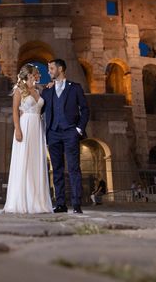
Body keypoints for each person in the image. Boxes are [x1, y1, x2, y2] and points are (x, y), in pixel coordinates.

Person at [3, 64, 53, 214]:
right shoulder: (19, 90)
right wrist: (17, 129)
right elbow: (14, 111)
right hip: (25, 126)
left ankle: (38, 201)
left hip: (38, 127)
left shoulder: (38, 90)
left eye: (37, 74)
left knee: (36, 162)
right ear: (28, 75)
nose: (38, 76)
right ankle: (22, 200)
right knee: (24, 160)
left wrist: (51, 85)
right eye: (35, 74)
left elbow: (43, 106)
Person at [42, 58, 90, 214]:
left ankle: (76, 204)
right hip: (53, 133)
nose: (48, 72)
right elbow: (40, 109)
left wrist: (79, 129)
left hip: (70, 132)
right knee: (57, 169)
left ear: (60, 69)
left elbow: (85, 109)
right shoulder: (47, 90)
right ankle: (61, 203)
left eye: (51, 68)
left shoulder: (75, 88)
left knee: (74, 168)